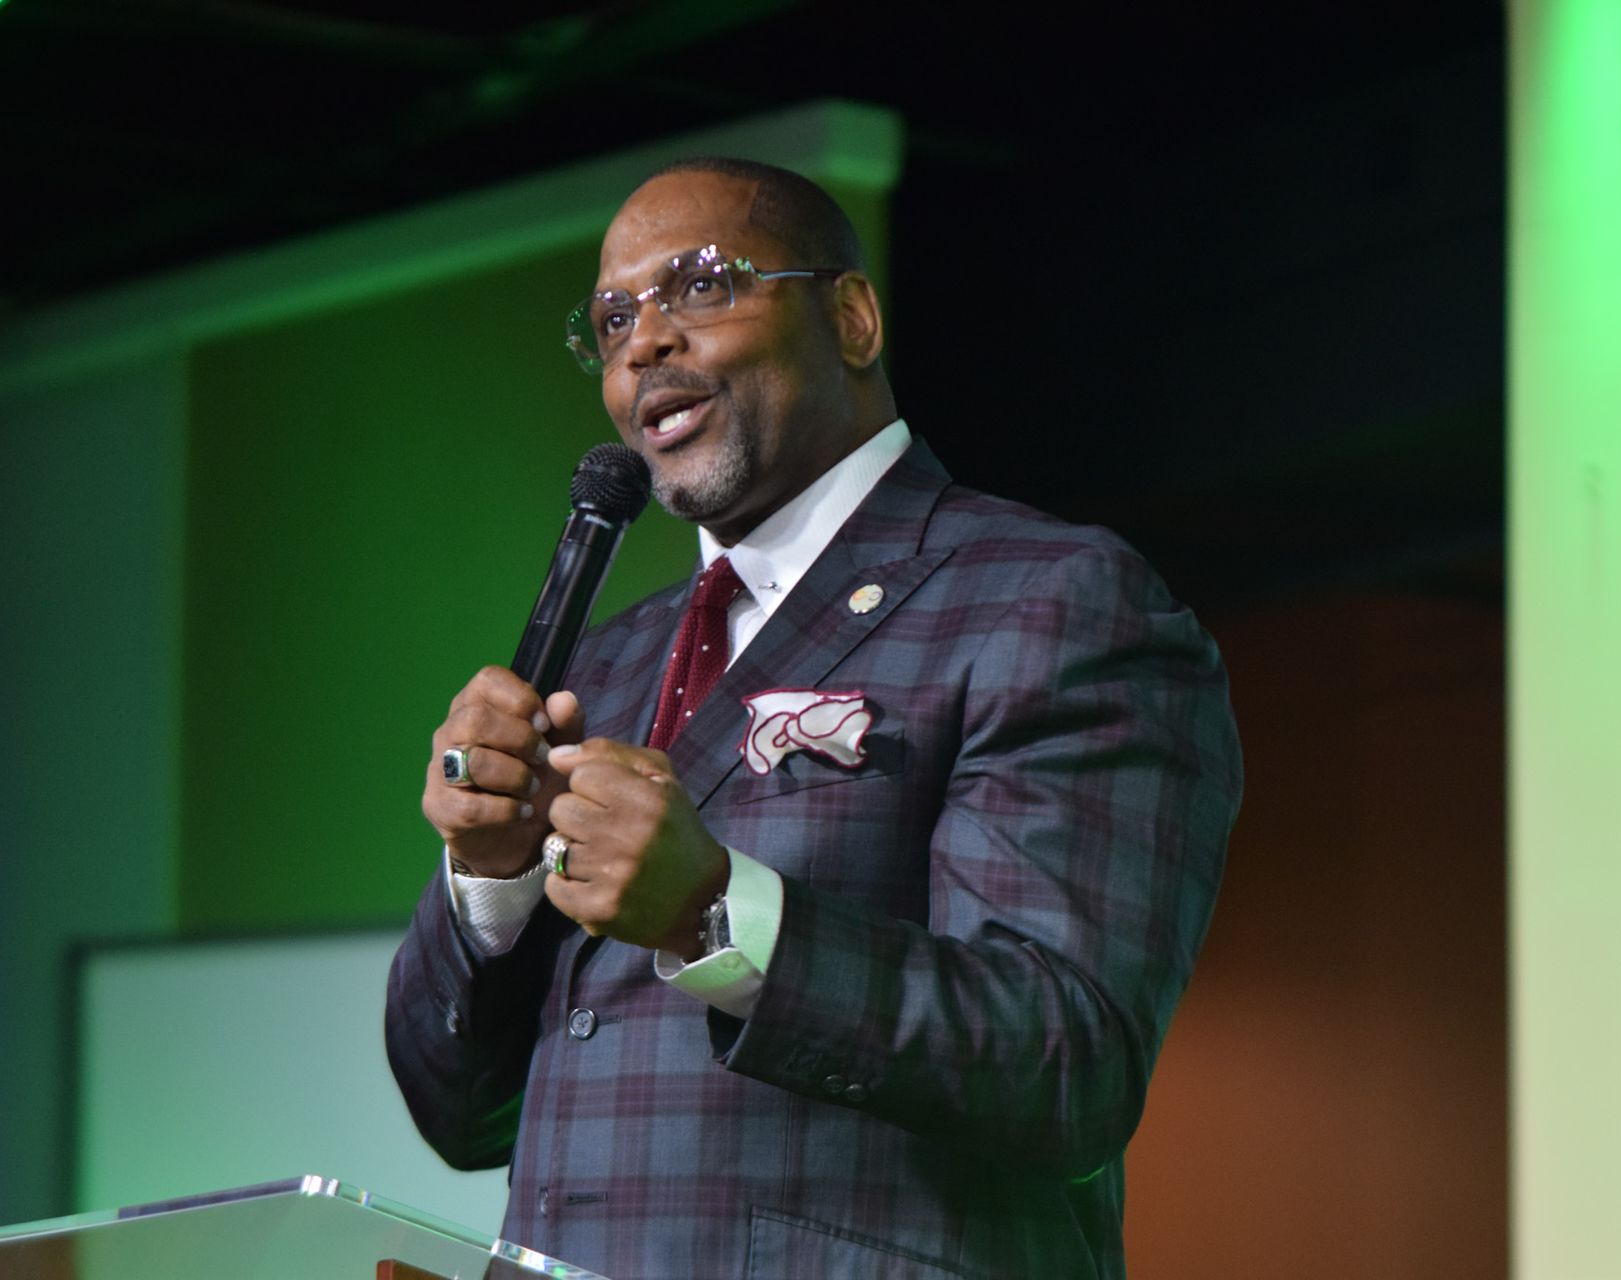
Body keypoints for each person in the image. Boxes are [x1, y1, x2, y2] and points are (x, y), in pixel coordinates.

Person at [385, 156, 1242, 1280]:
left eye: (700, 284)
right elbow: (463, 1118)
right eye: (613, 318)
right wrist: (489, 878)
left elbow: (1067, 1062)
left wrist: (710, 911)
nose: (643, 342)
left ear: (850, 317)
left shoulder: (1049, 597)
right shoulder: (606, 661)